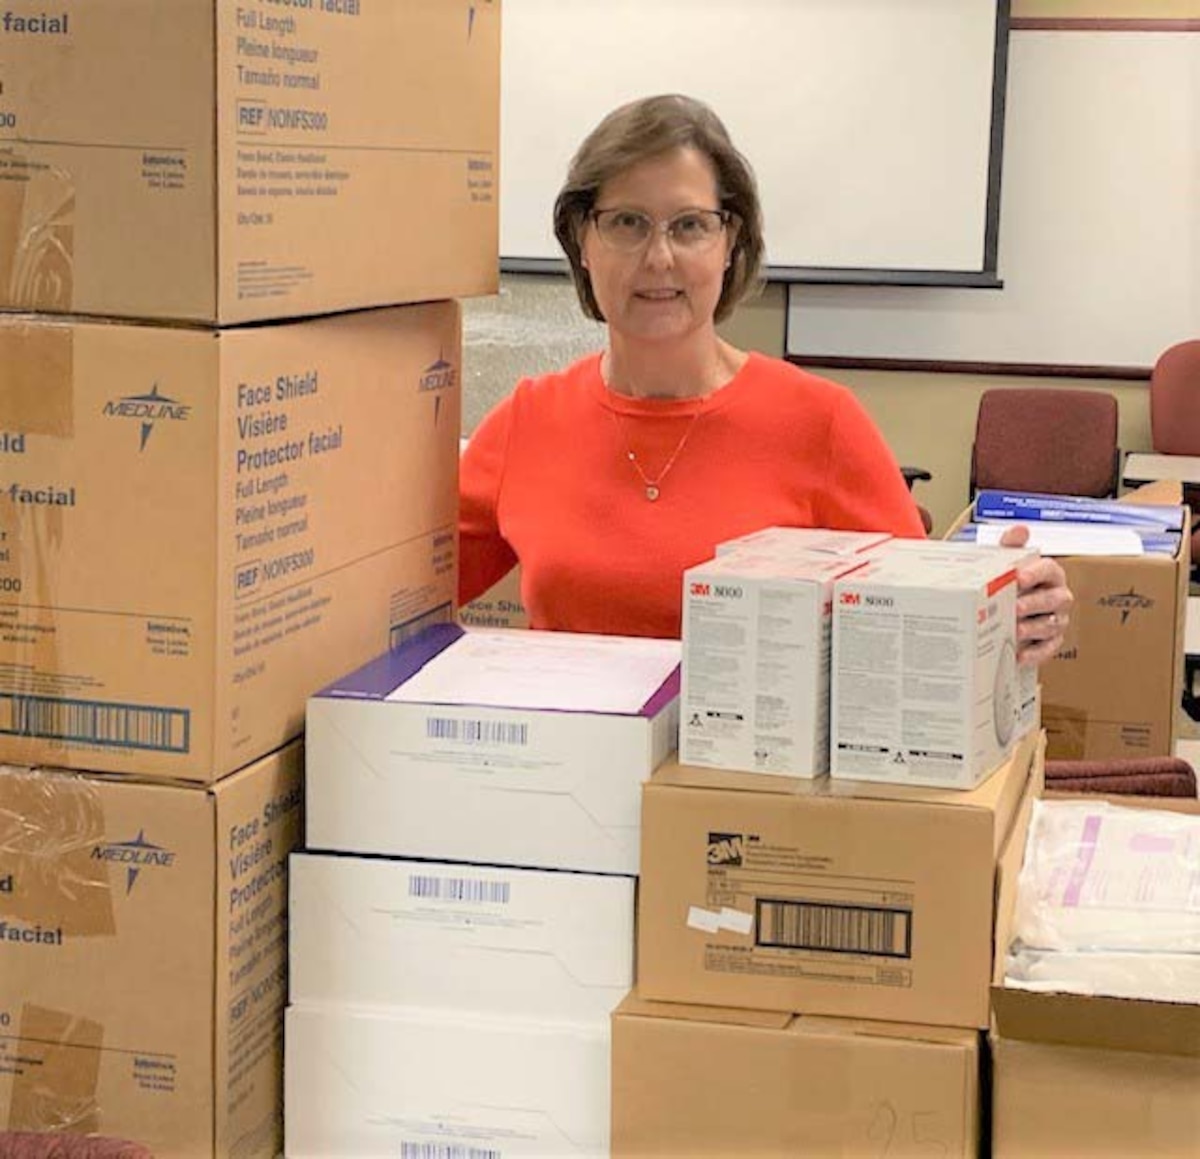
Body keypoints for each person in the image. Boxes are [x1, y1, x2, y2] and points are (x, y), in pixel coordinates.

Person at [460, 94, 1071, 663]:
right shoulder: (527, 422)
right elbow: (389, 594)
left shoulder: (819, 421)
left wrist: (1009, 610)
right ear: (581, 241)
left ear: (730, 243)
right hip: (564, 766)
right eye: (626, 223)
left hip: (751, 777)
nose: (659, 257)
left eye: (690, 225)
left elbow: (921, 620)